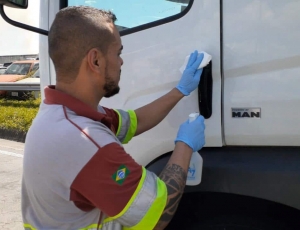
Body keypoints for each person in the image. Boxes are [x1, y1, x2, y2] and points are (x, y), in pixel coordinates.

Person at [22, 6, 206, 230]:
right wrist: (185, 146)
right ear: (96, 61)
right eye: (118, 53)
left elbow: (135, 121)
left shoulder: (61, 114)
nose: (121, 62)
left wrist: (180, 90)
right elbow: (157, 215)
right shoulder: (83, 142)